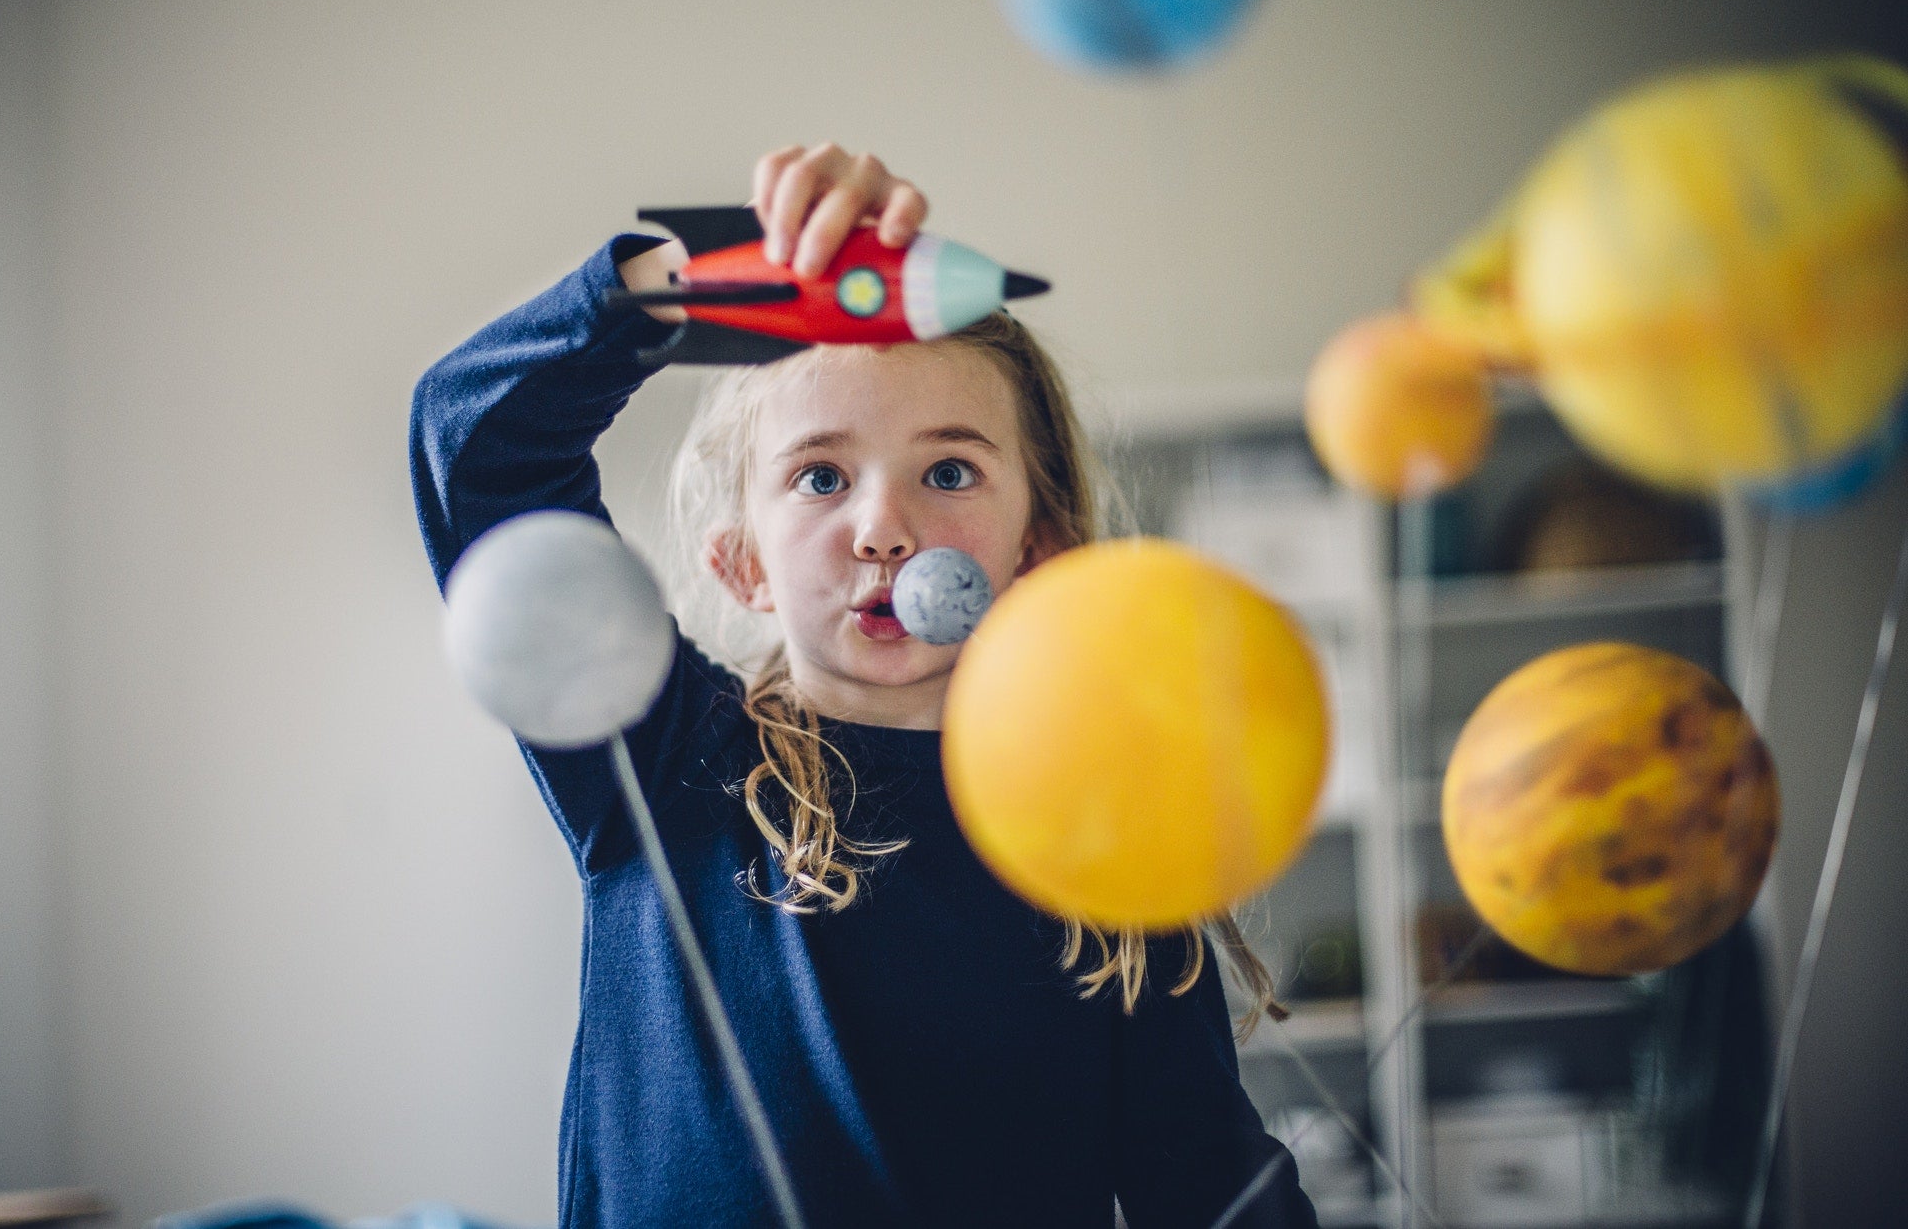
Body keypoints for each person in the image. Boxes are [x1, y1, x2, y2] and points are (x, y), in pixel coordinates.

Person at [410, 145, 1318, 1228]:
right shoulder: (664, 754)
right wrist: (692, 276)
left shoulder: (1112, 842)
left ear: (1038, 547)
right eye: (820, 476)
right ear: (742, 562)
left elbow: (1208, 1187)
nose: (884, 528)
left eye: (948, 471)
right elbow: (474, 447)